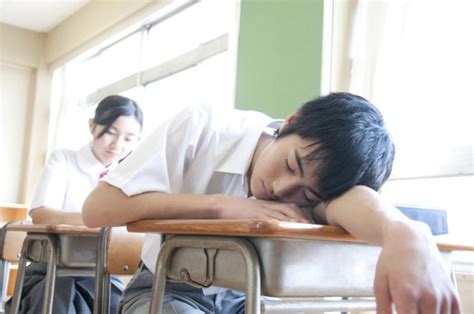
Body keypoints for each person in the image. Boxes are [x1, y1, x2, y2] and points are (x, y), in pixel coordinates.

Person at [83, 92, 461, 314]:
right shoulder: (204, 127)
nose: (281, 190)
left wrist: (405, 233)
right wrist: (219, 206)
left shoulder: (320, 181)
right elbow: (98, 210)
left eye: (307, 195)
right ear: (290, 122)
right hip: (166, 291)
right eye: (290, 164)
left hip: (251, 298)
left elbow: (357, 202)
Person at [6, 95, 143, 314]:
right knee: (59, 305)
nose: (117, 145)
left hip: (104, 276)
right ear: (92, 125)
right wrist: (97, 218)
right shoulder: (64, 160)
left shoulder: (130, 176)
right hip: (51, 271)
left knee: (127, 306)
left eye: (129, 138)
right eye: (110, 132)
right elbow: (41, 214)